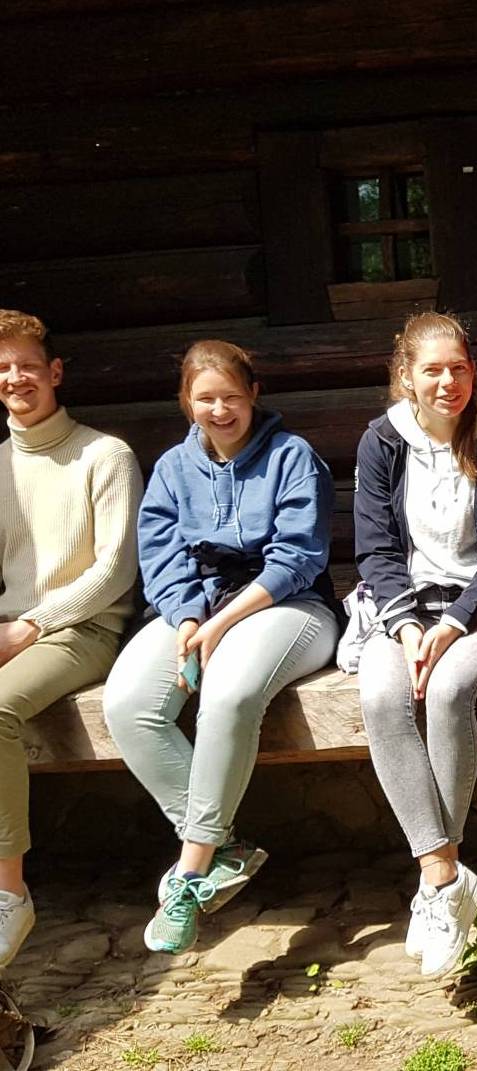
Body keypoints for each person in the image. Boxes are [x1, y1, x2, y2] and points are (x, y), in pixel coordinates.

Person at [103, 340, 339, 955]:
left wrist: (220, 623)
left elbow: (298, 558)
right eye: (205, 399)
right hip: (196, 609)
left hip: (290, 607)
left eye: (230, 396)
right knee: (129, 704)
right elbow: (160, 553)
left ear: (254, 394)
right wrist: (186, 617)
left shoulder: (293, 457)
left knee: (229, 694)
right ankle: (225, 846)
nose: (219, 409)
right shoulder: (174, 469)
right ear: (186, 402)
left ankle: (191, 868)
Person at [354, 312, 477, 976]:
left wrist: (453, 621)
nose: (447, 381)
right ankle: (445, 875)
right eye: (432, 369)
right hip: (402, 605)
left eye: (457, 367)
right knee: (381, 695)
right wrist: (404, 625)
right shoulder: (382, 440)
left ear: (472, 367)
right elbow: (373, 547)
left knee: (451, 687)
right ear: (405, 373)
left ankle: (439, 888)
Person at [0, 310, 142, 970]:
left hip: (82, 629)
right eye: (3, 367)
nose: (15, 376)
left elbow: (114, 568)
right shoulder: (0, 464)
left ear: (54, 371)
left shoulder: (103, 454)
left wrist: (31, 625)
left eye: (27, 363)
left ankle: (9, 895)